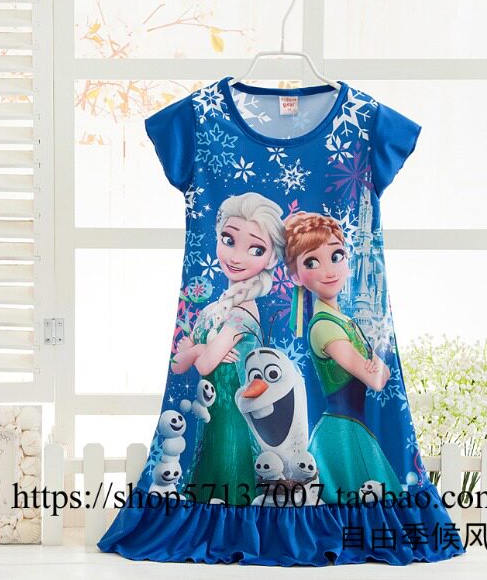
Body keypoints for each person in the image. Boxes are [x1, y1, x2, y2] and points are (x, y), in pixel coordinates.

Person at [171, 192, 286, 504]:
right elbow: (178, 365)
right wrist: (199, 351)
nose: (237, 256)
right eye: (229, 240)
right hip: (212, 416)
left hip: (232, 420)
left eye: (256, 249)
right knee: (208, 485)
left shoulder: (241, 312)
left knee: (230, 483)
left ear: (270, 258)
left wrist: (198, 350)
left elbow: (203, 364)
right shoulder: (213, 310)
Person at [283, 211, 404, 503]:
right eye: (312, 262)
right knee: (365, 502)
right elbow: (376, 379)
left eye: (336, 256)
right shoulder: (325, 326)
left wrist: (375, 367)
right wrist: (372, 364)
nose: (329, 271)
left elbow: (383, 373)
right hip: (343, 434)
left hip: (353, 429)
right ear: (296, 276)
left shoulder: (342, 320)